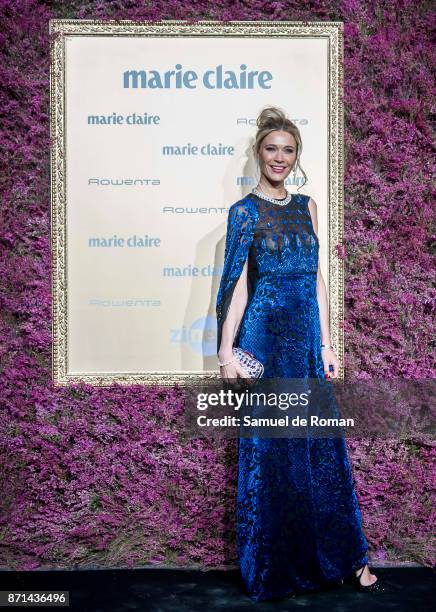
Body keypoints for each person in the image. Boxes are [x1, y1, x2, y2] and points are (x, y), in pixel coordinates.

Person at [215, 106, 385, 602]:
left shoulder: (308, 205)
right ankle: (276, 567)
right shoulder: (243, 212)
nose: (279, 158)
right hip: (264, 338)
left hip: (307, 340)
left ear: (296, 157)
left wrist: (329, 344)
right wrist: (227, 350)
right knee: (273, 453)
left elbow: (317, 279)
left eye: (288, 151)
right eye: (272, 149)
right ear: (258, 153)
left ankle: (345, 559)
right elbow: (238, 287)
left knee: (321, 449)